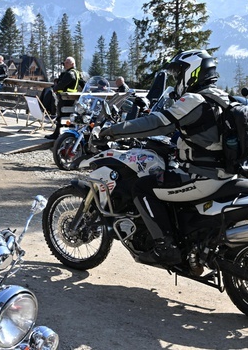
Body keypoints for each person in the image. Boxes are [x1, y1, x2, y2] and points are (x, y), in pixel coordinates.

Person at [99, 49, 231, 265]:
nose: (178, 79)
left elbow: (157, 123)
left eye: (180, 73)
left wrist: (113, 130)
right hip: (222, 172)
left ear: (193, 72)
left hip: (203, 176)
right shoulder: (220, 97)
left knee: (142, 188)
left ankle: (165, 247)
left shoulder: (195, 100)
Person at [45, 56, 84, 140]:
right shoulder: (77, 73)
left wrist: (54, 89)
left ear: (72, 64)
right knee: (69, 116)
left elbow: (61, 84)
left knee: (61, 116)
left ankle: (57, 135)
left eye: (67, 63)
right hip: (72, 99)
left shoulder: (69, 74)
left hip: (65, 98)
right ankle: (67, 134)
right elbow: (83, 84)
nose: (65, 64)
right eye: (65, 62)